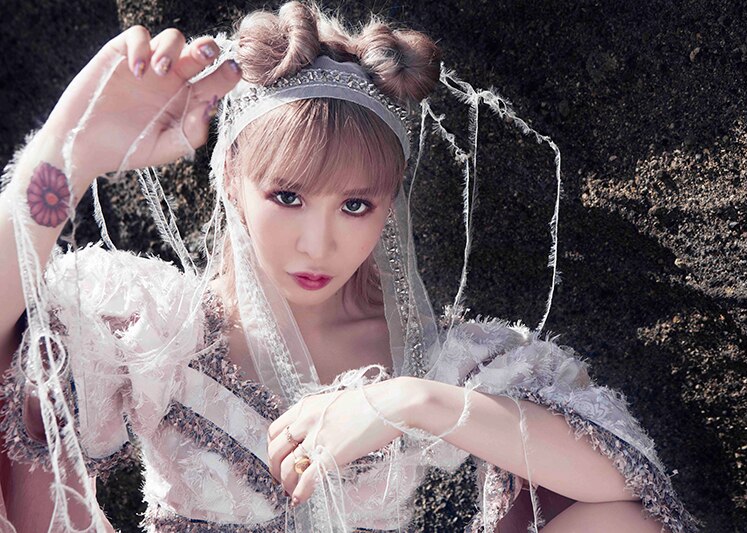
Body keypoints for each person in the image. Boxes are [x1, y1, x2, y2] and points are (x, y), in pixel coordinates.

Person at [0, 2, 699, 531]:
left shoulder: (441, 359)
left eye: (355, 204)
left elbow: (625, 486)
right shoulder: (159, 327)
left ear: (390, 205)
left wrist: (405, 402)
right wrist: (70, 152)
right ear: (231, 180)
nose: (317, 244)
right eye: (288, 196)